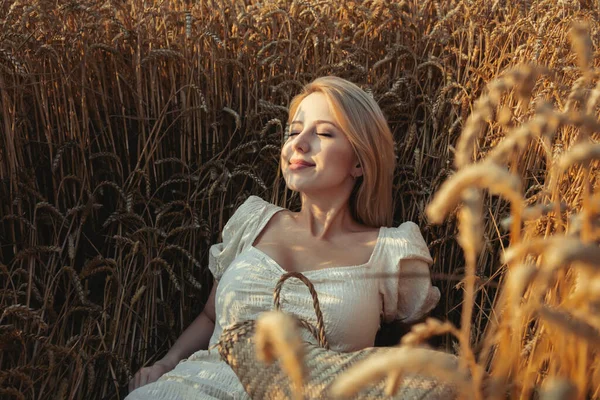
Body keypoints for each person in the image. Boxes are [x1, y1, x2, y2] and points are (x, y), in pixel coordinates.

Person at [126, 76, 441, 399]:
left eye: (323, 133)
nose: (299, 143)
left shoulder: (392, 253)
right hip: (186, 388)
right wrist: (166, 363)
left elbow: (414, 357)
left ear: (359, 161)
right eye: (293, 131)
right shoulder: (253, 221)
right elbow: (210, 316)